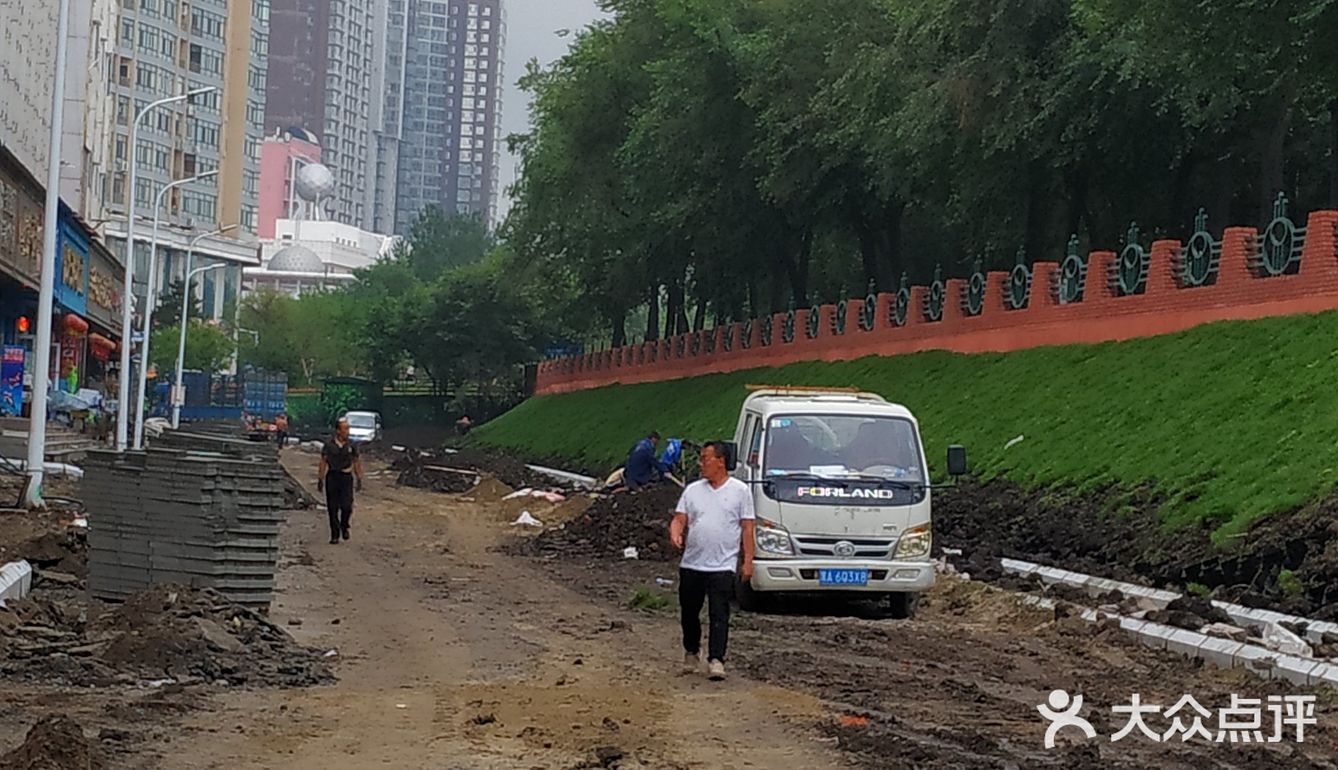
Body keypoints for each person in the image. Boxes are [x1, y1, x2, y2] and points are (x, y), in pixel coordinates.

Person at [668, 441, 755, 681]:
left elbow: (747, 527)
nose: (701, 463)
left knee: (719, 613)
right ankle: (691, 651)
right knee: (689, 612)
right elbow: (679, 518)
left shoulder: (740, 491)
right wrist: (676, 531)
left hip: (722, 564)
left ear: (720, 461)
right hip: (692, 563)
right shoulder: (693, 490)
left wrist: (748, 560)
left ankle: (717, 659)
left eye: (705, 458)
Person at [317, 418, 364, 544]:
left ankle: (344, 525)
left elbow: (356, 462)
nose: (347, 431)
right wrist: (320, 479)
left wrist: (359, 478)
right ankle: (335, 534)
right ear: (338, 431)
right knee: (332, 508)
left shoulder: (352, 445)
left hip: (346, 477)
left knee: (347, 506)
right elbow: (323, 462)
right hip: (332, 477)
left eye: (348, 428)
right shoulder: (329, 445)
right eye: (345, 429)